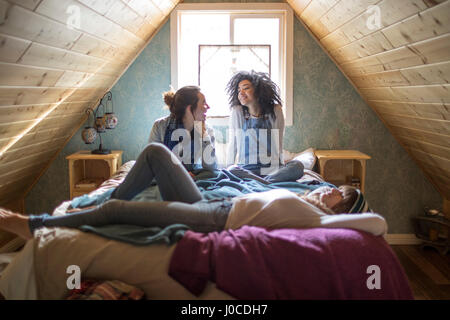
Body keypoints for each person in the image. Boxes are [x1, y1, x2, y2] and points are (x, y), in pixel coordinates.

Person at [0, 143, 386, 240]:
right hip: (213, 202)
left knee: (116, 211)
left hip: (216, 219)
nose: (328, 191)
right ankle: (99, 198)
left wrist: (347, 207)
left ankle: (32, 225)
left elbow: (376, 224)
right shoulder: (301, 197)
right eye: (331, 189)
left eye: (338, 194)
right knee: (153, 153)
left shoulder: (321, 220)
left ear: (343, 212)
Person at [225, 70, 304, 184]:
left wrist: (281, 165)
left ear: (258, 90)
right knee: (232, 169)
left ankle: (263, 182)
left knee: (298, 166)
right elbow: (234, 143)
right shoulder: (238, 112)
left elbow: (279, 142)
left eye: (246, 88)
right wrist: (228, 169)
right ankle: (268, 183)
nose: (241, 93)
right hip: (247, 169)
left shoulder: (275, 110)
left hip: (272, 168)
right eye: (238, 90)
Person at [149, 86, 217, 172]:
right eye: (203, 103)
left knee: (214, 175)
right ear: (189, 108)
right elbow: (153, 163)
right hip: (167, 175)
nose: (208, 106)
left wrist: (203, 133)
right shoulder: (160, 126)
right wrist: (179, 174)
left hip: (194, 177)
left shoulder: (207, 129)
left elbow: (211, 168)